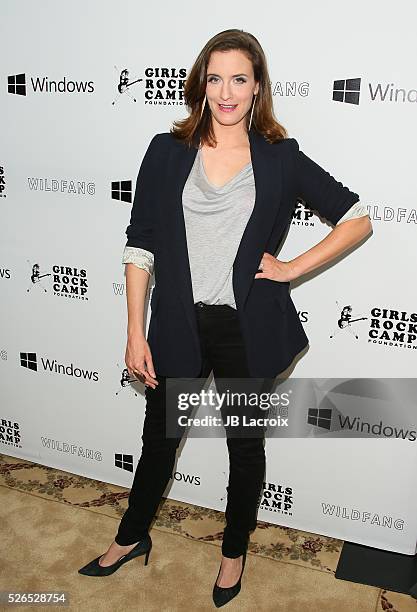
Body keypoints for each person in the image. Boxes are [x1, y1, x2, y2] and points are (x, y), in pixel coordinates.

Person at [78, 29, 372, 607]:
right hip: (176, 327)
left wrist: (291, 269)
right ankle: (130, 538)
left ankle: (233, 553)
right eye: (215, 78)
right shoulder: (166, 152)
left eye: (239, 78)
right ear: (201, 84)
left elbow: (356, 216)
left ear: (257, 86)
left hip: (247, 332)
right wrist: (135, 329)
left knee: (245, 448)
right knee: (158, 442)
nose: (227, 91)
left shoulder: (281, 160)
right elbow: (141, 245)